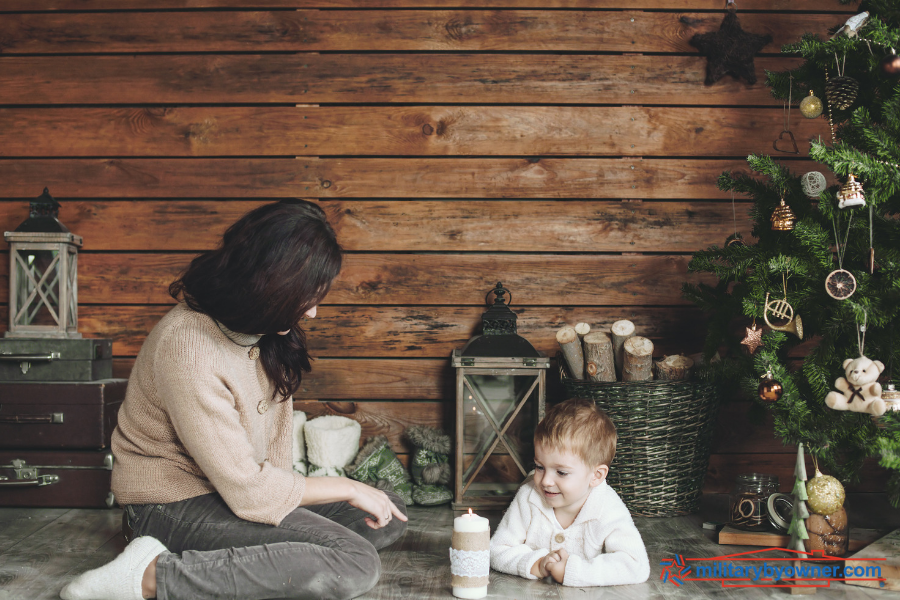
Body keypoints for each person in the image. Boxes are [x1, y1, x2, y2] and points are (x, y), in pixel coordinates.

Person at [61, 200, 407, 600]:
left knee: (386, 513)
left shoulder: (262, 329)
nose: (312, 312)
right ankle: (150, 576)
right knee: (355, 562)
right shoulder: (188, 345)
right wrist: (341, 486)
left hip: (234, 494)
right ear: (270, 284)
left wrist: (291, 511)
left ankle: (251, 558)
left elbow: (265, 468)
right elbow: (247, 489)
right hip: (171, 506)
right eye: (305, 297)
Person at [490, 397, 649, 587]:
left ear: (596, 476)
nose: (546, 481)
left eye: (561, 472)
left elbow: (635, 564)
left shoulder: (607, 507)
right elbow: (497, 549)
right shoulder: (529, 497)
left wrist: (573, 571)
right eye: (539, 467)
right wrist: (537, 564)